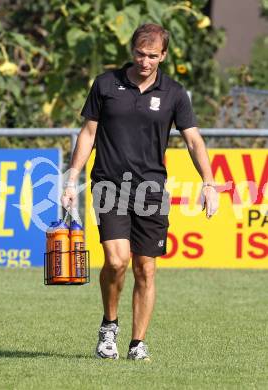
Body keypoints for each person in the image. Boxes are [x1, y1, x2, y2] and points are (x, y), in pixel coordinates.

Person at [61, 23, 218, 361]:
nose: (144, 61)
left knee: (145, 268)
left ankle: (137, 343)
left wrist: (208, 182)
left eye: (152, 55)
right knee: (117, 261)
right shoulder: (106, 84)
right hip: (108, 185)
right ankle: (109, 327)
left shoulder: (175, 93)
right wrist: (72, 176)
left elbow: (193, 140)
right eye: (139, 53)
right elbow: (88, 133)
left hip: (151, 190)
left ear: (163, 55)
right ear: (131, 51)